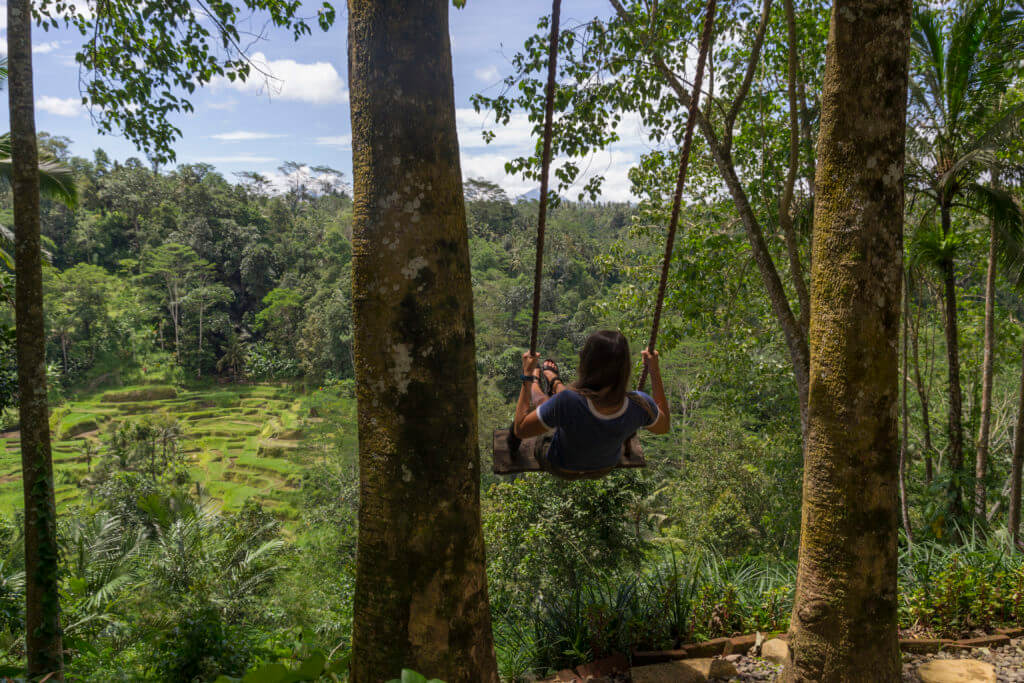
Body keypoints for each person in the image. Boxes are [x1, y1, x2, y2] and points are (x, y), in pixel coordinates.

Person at [513, 329, 670, 478]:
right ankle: (555, 382)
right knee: (565, 404)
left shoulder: (567, 401)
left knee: (546, 404)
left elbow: (520, 429)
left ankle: (536, 382)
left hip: (561, 466)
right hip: (604, 467)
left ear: (586, 362)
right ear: (625, 367)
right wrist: (654, 370)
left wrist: (527, 374)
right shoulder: (640, 403)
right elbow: (663, 427)